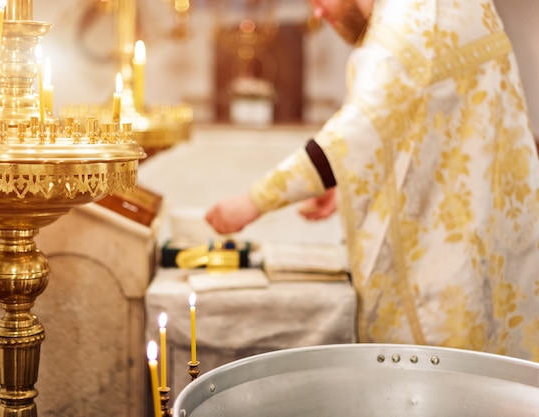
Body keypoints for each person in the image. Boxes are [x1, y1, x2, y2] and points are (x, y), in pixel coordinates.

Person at [205, 0, 539, 362]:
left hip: (444, 279)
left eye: (318, 0)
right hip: (499, 257)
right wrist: (349, 177)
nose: (317, 13)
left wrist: (254, 201)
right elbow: (431, 125)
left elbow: (359, 127)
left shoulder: (409, 21)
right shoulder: (451, 7)